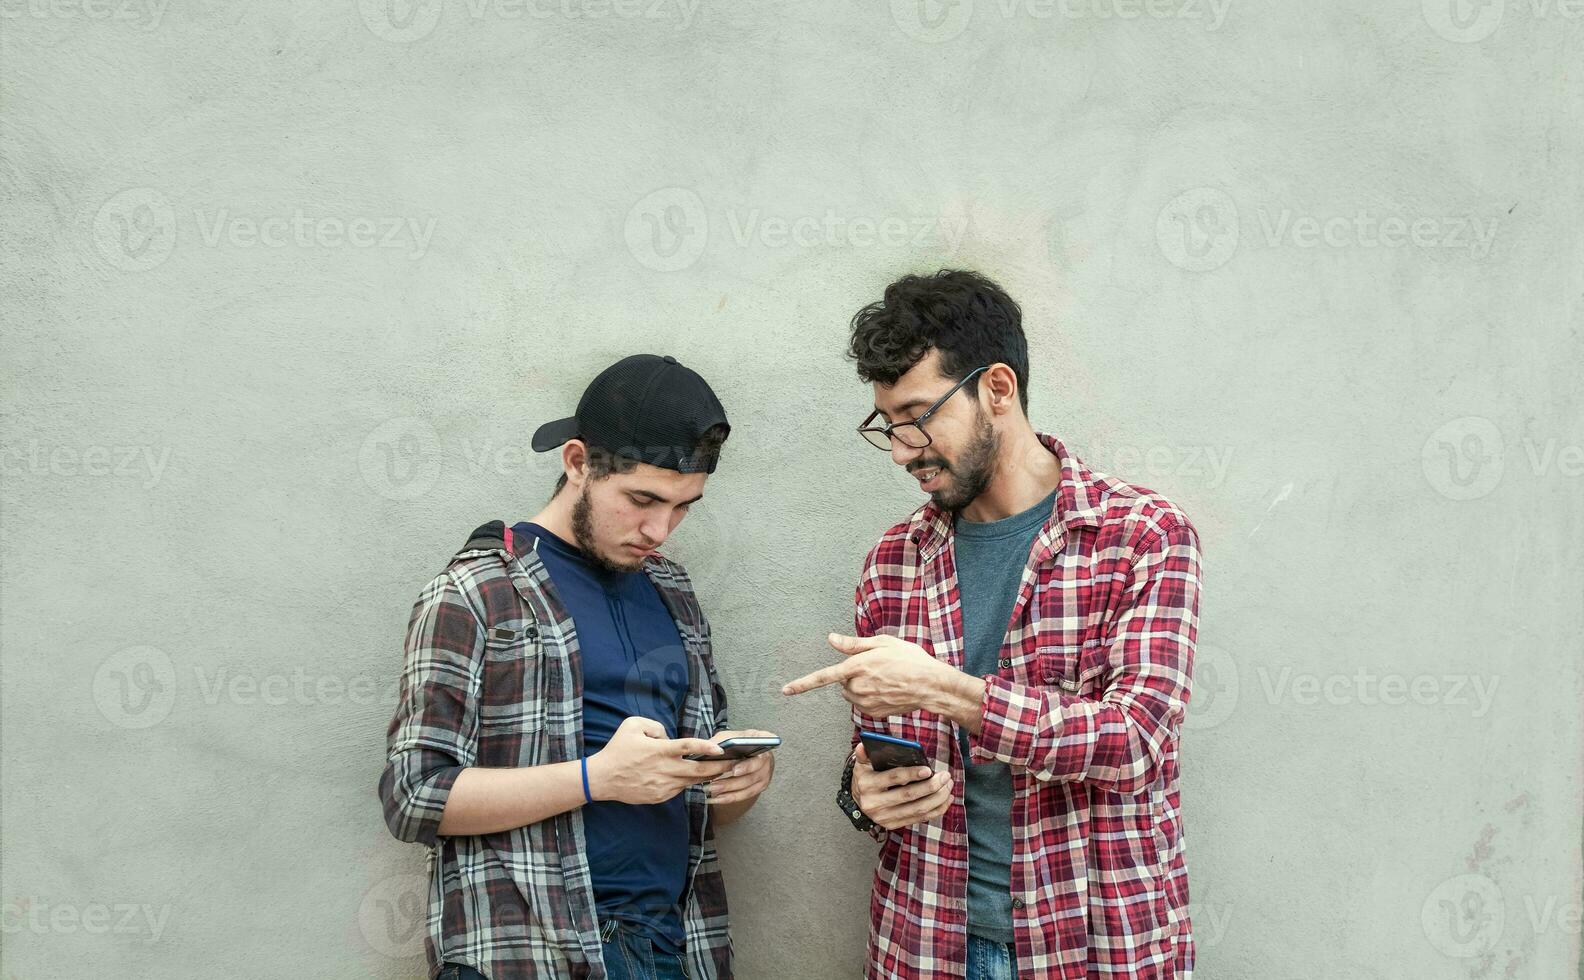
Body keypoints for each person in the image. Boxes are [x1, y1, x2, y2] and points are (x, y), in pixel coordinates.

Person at [784, 271, 1203, 979]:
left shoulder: (1143, 537)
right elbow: (878, 752)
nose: (901, 449)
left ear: (997, 390)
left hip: (1093, 947)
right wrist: (864, 794)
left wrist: (947, 691)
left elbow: (1134, 743)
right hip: (924, 941)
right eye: (887, 424)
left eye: (919, 415)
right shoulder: (893, 561)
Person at [380, 354, 775, 980]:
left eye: (683, 506)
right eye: (642, 499)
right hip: (529, 951)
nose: (660, 529)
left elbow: (690, 797)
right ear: (578, 462)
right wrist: (596, 778)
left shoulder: (674, 592)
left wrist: (734, 786)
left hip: (675, 946)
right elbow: (412, 796)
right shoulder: (476, 591)